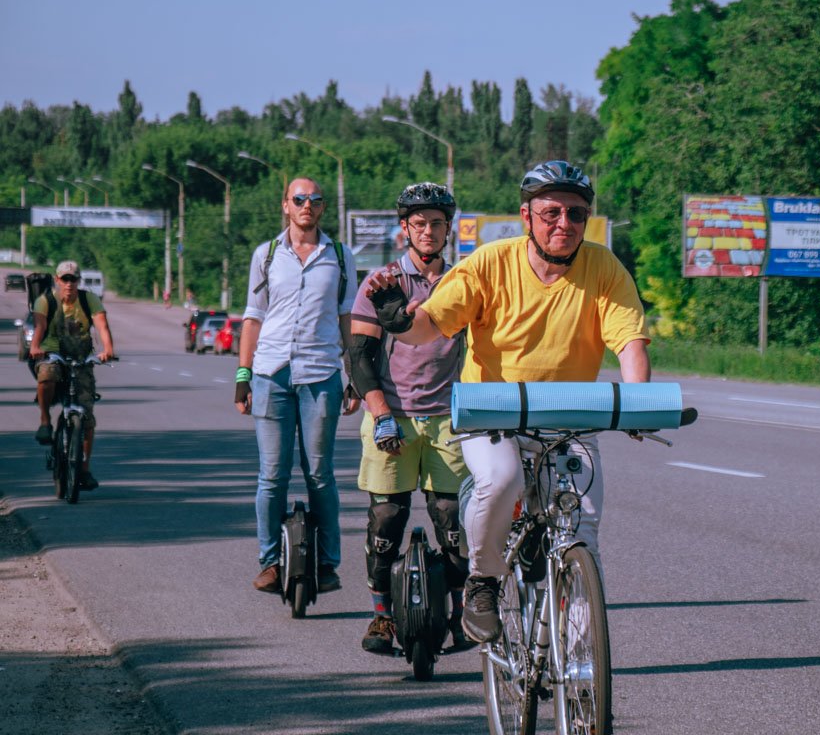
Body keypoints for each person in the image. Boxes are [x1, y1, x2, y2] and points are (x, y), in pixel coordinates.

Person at [370, 160, 650, 643]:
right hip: (492, 411)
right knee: (502, 479)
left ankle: (579, 661)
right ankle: (482, 580)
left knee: (583, 531)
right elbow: (430, 326)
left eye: (577, 214)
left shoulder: (604, 267)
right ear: (527, 216)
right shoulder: (488, 263)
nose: (565, 224)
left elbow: (630, 342)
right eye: (552, 213)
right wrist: (398, 321)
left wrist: (639, 400)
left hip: (568, 418)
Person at [348, 182, 470, 655]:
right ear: (405, 229)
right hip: (393, 414)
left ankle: (459, 614)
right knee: (387, 521)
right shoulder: (380, 284)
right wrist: (380, 415)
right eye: (418, 223)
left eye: (436, 223)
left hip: (447, 418)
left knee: (455, 522)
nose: (427, 231)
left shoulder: (461, 282)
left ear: (446, 229)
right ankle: (381, 616)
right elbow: (359, 356)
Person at [235, 177, 359, 595]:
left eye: (315, 199)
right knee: (272, 475)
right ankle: (269, 562)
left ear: (323, 208)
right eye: (299, 199)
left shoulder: (340, 256)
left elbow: (347, 318)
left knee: (319, 473)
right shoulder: (266, 255)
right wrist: (243, 375)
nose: (307, 205)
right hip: (272, 373)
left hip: (321, 373)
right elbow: (253, 316)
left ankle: (327, 564)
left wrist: (354, 375)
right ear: (286, 205)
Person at [29, 259, 116, 491]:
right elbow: (39, 326)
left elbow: (102, 326)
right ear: (57, 280)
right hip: (52, 351)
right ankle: (45, 421)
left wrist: (107, 350)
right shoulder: (46, 300)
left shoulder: (89, 300)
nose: (69, 283)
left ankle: (84, 470)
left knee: (86, 416)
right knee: (47, 374)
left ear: (79, 281)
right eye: (65, 279)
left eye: (73, 279)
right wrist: (35, 346)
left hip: (81, 355)